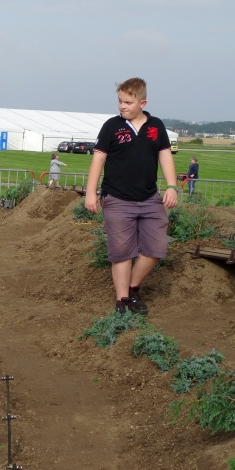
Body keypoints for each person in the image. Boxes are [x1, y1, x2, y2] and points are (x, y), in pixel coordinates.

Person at [85, 77, 178, 316]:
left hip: (149, 198)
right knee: (123, 251)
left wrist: (171, 186)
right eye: (120, 101)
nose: (122, 106)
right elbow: (98, 159)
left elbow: (165, 156)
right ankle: (123, 300)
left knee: (156, 248)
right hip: (117, 198)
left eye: (127, 102)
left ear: (142, 102)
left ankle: (133, 286)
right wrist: (91, 192)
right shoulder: (111, 127)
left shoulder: (156, 126)